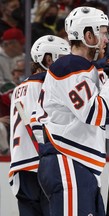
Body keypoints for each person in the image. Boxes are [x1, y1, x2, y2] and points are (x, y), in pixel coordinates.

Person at [31, 6, 109, 215]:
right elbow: (97, 114)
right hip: (68, 161)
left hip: (80, 165)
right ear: (88, 35)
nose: (107, 39)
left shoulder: (91, 71)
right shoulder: (69, 66)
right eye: (103, 32)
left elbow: (107, 129)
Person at [9, 35, 71, 216]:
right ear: (48, 59)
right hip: (43, 164)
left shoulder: (19, 88)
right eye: (62, 58)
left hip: (20, 166)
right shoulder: (49, 84)